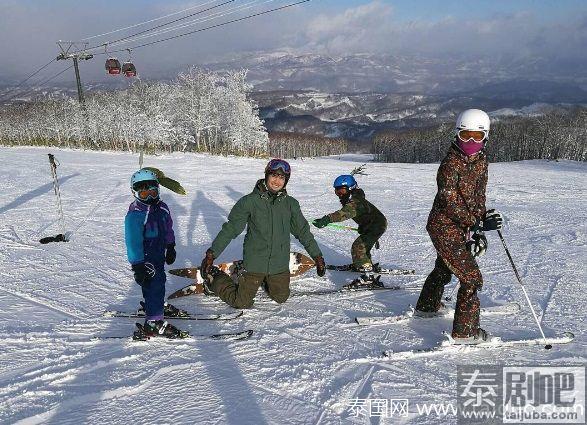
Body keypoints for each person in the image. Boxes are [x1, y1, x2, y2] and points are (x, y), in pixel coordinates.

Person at [414, 109, 503, 344]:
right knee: (471, 278)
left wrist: (483, 219)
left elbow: (477, 196)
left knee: (444, 268)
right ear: (457, 135)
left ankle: (427, 306)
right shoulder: (450, 164)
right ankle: (466, 333)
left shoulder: (481, 162)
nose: (471, 142)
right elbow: (448, 199)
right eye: (465, 136)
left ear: (486, 137)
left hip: (459, 226)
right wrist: (476, 222)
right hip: (443, 225)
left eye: (476, 136)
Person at [200, 159, 326, 309]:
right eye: (274, 175)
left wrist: (317, 256)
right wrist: (211, 255)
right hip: (255, 262)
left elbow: (303, 232)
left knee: (281, 298)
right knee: (241, 302)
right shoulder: (249, 202)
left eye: (282, 177)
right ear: (266, 175)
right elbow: (231, 229)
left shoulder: (291, 204)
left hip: (278, 264)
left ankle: (267, 280)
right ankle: (214, 278)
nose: (277, 181)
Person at [124, 168, 186, 339]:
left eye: (152, 191)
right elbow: (132, 242)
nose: (149, 197)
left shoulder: (162, 208)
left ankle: (155, 304)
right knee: (154, 283)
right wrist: (137, 265)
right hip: (145, 257)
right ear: (134, 193)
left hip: (158, 252)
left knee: (157, 282)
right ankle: (153, 321)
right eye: (144, 194)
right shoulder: (135, 215)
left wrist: (171, 246)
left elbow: (168, 228)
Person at [312, 175, 387, 272]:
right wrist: (364, 226)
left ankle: (367, 273)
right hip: (371, 225)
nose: (340, 195)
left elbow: (343, 214)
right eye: (337, 192)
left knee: (359, 247)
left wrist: (327, 219)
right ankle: (364, 263)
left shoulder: (356, 201)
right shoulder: (353, 198)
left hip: (377, 226)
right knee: (363, 246)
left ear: (350, 189)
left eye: (342, 191)